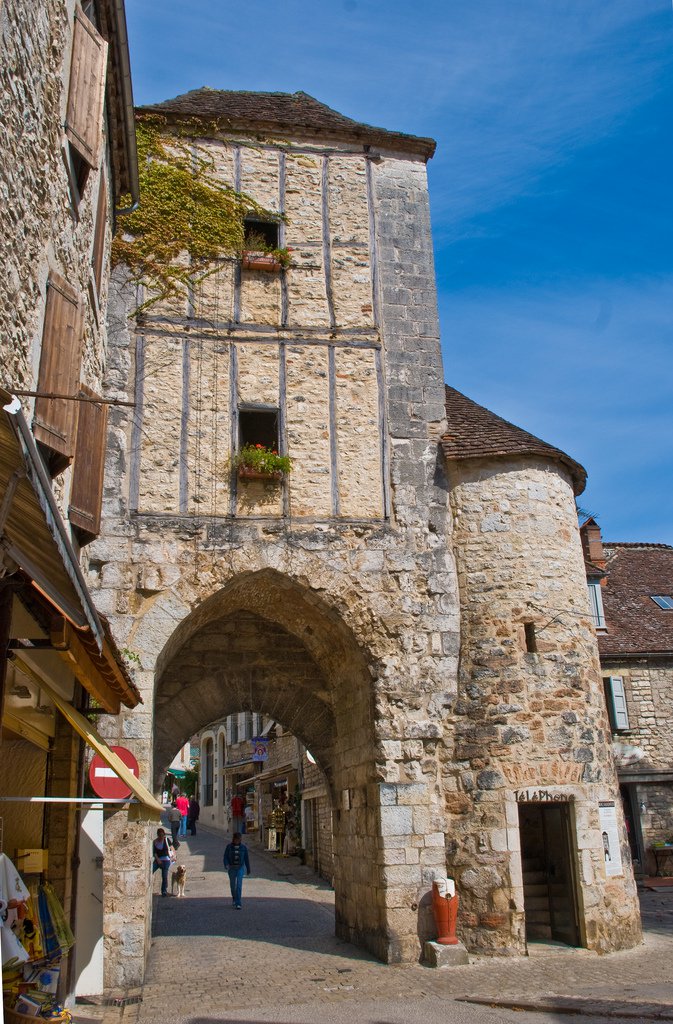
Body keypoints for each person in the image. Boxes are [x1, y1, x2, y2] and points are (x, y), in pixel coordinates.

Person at [223, 832, 250, 909]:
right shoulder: (229, 847)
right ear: (234, 839)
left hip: (240, 868)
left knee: (239, 885)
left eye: (239, 839)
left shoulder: (243, 848)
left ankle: (238, 903)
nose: (238, 841)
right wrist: (226, 864)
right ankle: (234, 898)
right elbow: (225, 857)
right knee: (232, 886)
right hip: (231, 868)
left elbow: (246, 859)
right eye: (237, 839)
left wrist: (248, 869)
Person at [152, 828, 173, 896]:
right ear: (158, 835)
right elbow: (154, 853)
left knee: (164, 876)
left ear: (164, 834)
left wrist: (174, 856)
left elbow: (172, 848)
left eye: (162, 835)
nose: (161, 837)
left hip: (166, 860)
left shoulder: (166, 840)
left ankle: (164, 891)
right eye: (160, 835)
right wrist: (158, 860)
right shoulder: (155, 842)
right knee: (150, 870)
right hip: (158, 860)